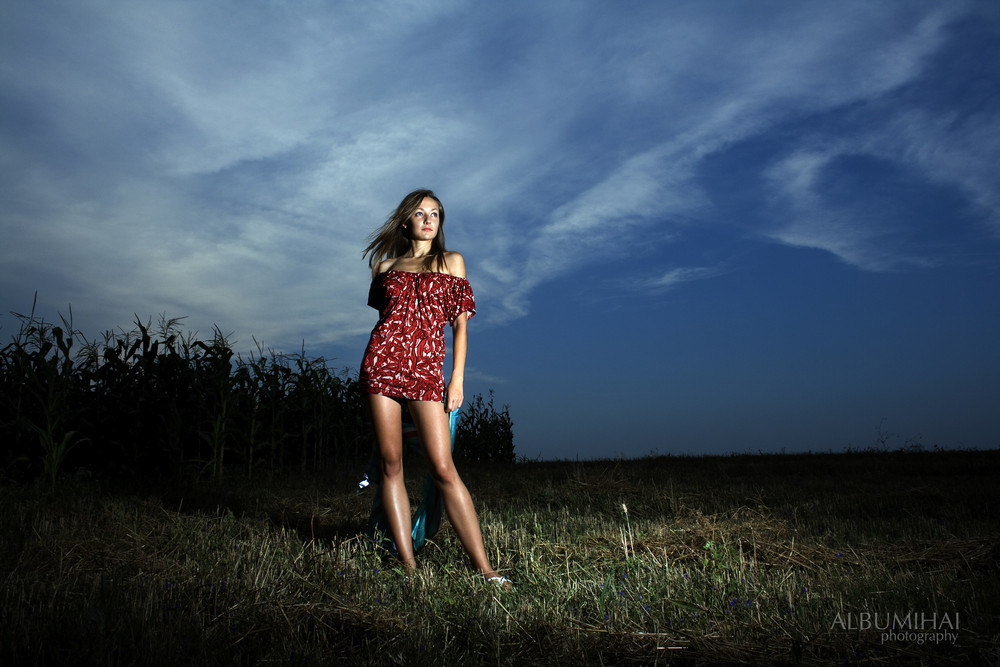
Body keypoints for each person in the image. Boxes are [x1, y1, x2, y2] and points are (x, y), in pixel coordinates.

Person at [359, 189, 509, 587]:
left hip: (427, 372)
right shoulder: (384, 266)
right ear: (405, 220)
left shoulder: (451, 261)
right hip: (382, 366)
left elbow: (460, 325)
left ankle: (486, 569)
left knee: (443, 468)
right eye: (420, 213)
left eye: (436, 214)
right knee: (392, 466)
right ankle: (408, 566)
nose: (429, 219)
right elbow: (388, 318)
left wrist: (456, 378)